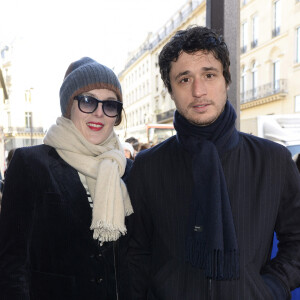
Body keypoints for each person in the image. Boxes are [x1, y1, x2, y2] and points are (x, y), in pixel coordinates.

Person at [126, 26, 300, 300]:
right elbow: (135, 254)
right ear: (171, 90)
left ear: (226, 79)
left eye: (209, 75)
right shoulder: (147, 167)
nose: (199, 90)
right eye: (184, 79)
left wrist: (270, 288)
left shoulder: (273, 161)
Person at [0, 57, 133, 300]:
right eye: (87, 101)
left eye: (110, 105)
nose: (99, 113)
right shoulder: (31, 164)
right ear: (68, 106)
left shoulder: (128, 170)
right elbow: (12, 262)